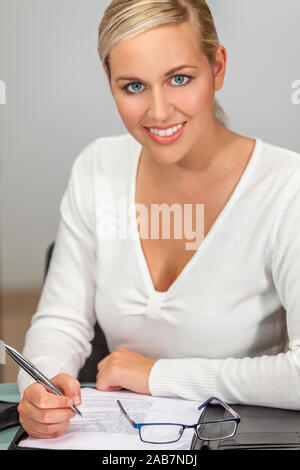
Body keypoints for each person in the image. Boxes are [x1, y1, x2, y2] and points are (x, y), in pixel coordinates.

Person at [17, 0, 300, 440]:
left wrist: (158, 376)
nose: (160, 112)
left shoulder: (287, 189)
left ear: (218, 67)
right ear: (110, 83)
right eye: (133, 87)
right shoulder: (97, 167)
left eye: (180, 79)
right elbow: (60, 322)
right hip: (124, 440)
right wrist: (42, 385)